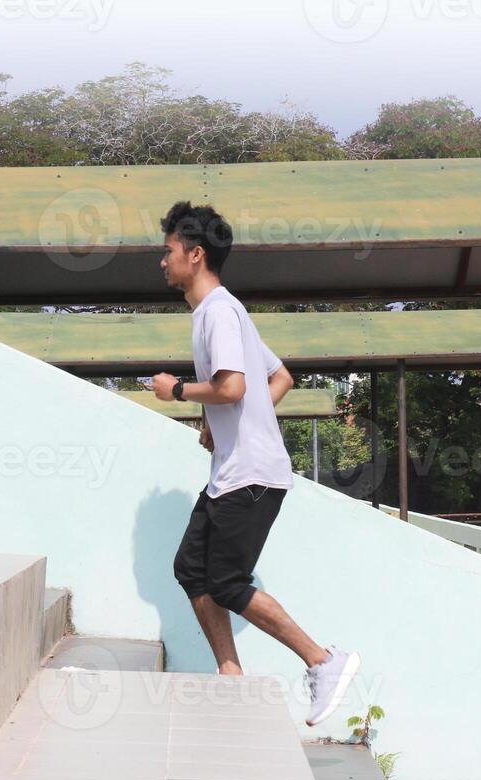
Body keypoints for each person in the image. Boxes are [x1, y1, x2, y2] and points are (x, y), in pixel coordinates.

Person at [151, 200, 361, 726]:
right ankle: (230, 674)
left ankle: (324, 661)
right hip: (235, 471)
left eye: (169, 251)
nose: (163, 261)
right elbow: (280, 378)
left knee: (225, 581)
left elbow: (233, 386)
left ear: (195, 255)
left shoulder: (219, 311)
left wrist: (178, 391)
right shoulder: (226, 312)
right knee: (191, 570)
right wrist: (219, 422)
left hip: (253, 474)